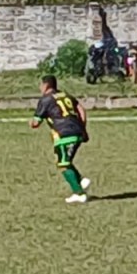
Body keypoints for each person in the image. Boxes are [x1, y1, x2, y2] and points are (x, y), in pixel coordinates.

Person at [31, 75, 92, 203]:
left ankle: (79, 193)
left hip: (64, 134)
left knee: (63, 164)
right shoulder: (65, 95)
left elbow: (36, 123)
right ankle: (81, 180)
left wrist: (31, 122)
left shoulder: (45, 100)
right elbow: (81, 109)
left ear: (46, 85)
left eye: (41, 85)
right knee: (65, 161)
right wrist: (83, 127)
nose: (40, 87)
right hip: (77, 131)